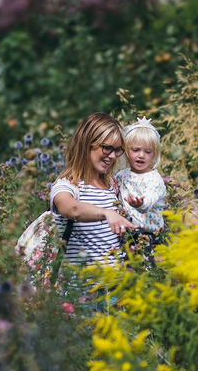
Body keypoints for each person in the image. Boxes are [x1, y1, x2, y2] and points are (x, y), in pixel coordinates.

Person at [51, 112, 137, 266]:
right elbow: (71, 209)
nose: (112, 156)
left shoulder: (113, 185)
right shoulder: (67, 185)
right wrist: (105, 213)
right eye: (106, 148)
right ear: (86, 144)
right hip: (83, 288)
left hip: (117, 286)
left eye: (117, 150)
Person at [115, 117, 167, 235]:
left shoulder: (154, 179)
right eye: (136, 150)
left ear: (154, 154)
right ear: (127, 150)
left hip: (149, 234)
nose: (141, 155)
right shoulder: (122, 175)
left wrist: (141, 204)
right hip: (126, 232)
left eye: (148, 152)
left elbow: (150, 197)